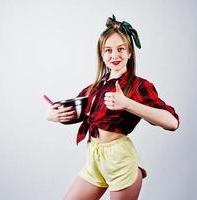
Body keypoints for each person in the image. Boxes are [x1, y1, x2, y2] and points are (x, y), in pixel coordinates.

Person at [46, 15, 179, 200]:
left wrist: (127, 103)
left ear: (130, 52)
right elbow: (73, 111)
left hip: (121, 162)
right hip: (94, 161)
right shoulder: (95, 87)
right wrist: (52, 115)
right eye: (108, 50)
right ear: (101, 54)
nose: (114, 55)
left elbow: (172, 122)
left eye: (121, 49)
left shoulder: (138, 86)